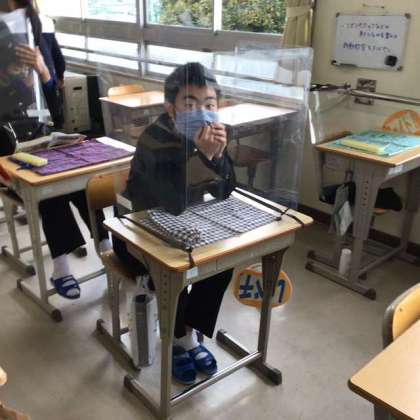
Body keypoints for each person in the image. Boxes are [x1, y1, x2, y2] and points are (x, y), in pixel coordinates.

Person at [113, 62, 236, 384]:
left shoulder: (210, 135)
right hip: (138, 234)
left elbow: (226, 190)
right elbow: (170, 202)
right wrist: (202, 157)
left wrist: (216, 158)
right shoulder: (154, 139)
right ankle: (180, 340)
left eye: (209, 103)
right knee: (177, 268)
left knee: (223, 262)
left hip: (187, 227)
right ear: (170, 108)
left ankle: (187, 331)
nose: (202, 112)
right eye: (190, 103)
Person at [6, 1, 111, 299]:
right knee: (50, 187)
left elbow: (56, 111)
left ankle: (106, 247)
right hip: (8, 148)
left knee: (83, 180)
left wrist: (41, 72)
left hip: (41, 138)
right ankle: (61, 266)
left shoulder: (41, 35)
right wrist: (12, 79)